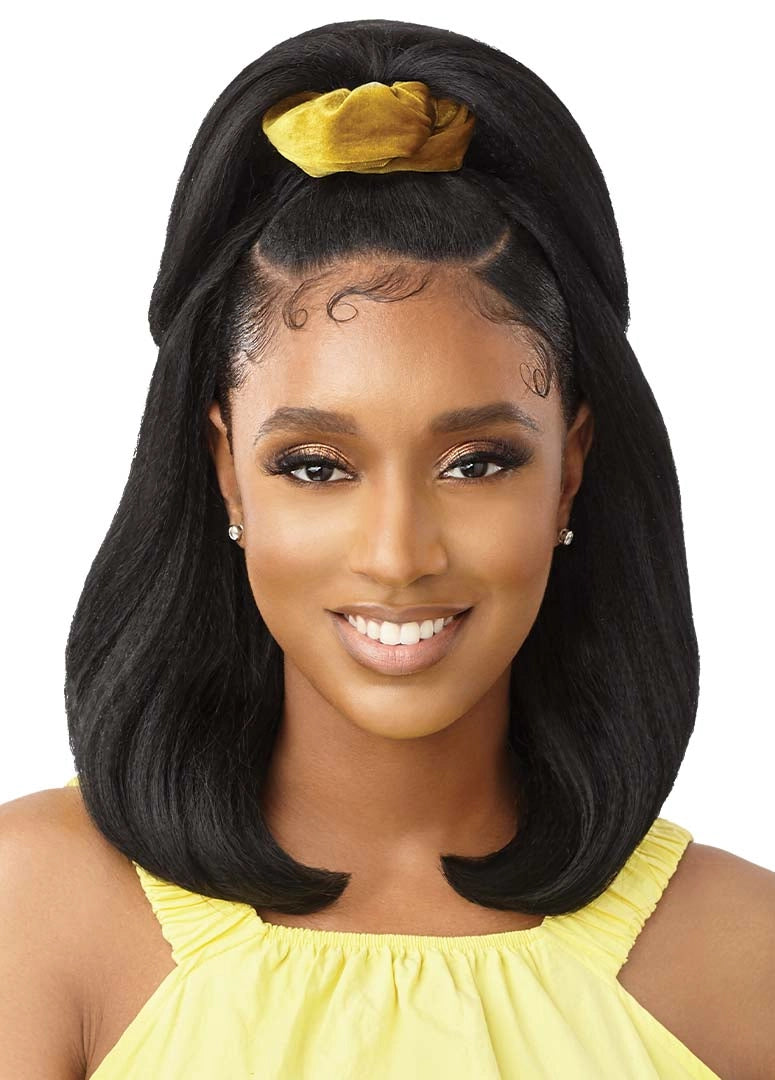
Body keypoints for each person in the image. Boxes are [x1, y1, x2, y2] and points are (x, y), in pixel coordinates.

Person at [1, 17, 773, 1080]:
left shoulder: (741, 960)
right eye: (317, 465)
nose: (398, 554)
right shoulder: (36, 912)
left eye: (476, 462)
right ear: (226, 471)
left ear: (571, 471)